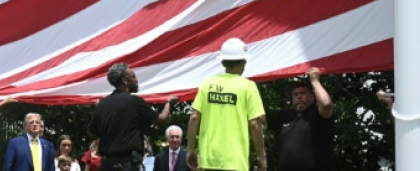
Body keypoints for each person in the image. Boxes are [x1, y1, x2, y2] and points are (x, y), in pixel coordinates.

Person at [185, 37, 266, 171]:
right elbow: (254, 124)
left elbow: (194, 117)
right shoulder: (248, 87)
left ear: (222, 62)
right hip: (235, 162)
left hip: (208, 161)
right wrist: (261, 156)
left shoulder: (207, 84)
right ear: (244, 62)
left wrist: (190, 150)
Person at [88, 63, 177, 171]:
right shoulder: (134, 102)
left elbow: (92, 134)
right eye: (133, 76)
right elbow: (162, 120)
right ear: (125, 81)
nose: (136, 80)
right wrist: (168, 103)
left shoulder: (102, 104)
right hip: (128, 165)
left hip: (106, 165)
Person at [266, 68, 335, 171]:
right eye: (296, 94)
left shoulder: (317, 115)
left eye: (303, 93)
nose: (299, 97)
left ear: (312, 97)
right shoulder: (284, 117)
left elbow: (326, 104)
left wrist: (315, 80)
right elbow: (257, 115)